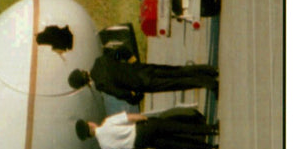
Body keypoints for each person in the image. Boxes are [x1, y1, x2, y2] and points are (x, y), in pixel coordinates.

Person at [68, 51, 219, 106]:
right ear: (82, 70)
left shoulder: (101, 84)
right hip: (143, 68)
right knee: (175, 70)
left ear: (84, 83)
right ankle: (209, 70)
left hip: (143, 83)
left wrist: (135, 97)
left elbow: (122, 94)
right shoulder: (99, 61)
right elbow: (122, 50)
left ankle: (209, 83)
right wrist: (135, 62)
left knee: (176, 83)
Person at [75, 106, 218, 149]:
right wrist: (145, 119)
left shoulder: (105, 147)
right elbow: (129, 117)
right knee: (178, 128)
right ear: (90, 124)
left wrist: (139, 148)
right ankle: (211, 129)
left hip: (142, 142)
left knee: (177, 144)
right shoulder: (107, 122)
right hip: (143, 128)